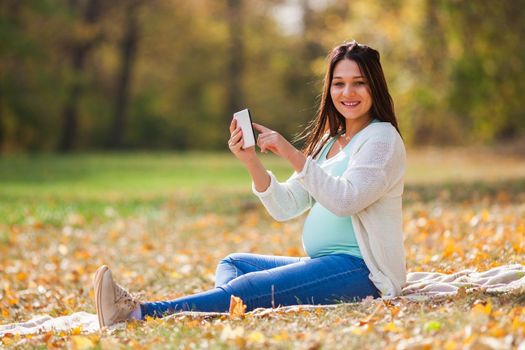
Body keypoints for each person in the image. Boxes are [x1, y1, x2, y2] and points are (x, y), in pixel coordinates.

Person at [92, 40, 407, 328]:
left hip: (362, 271)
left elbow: (345, 201)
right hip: (326, 265)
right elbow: (287, 207)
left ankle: (137, 313)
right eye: (339, 83)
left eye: (359, 83)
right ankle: (226, 305)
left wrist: (288, 151)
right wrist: (250, 160)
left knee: (248, 288)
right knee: (235, 263)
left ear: (375, 87)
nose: (347, 93)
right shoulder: (330, 142)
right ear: (329, 89)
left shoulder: (381, 139)